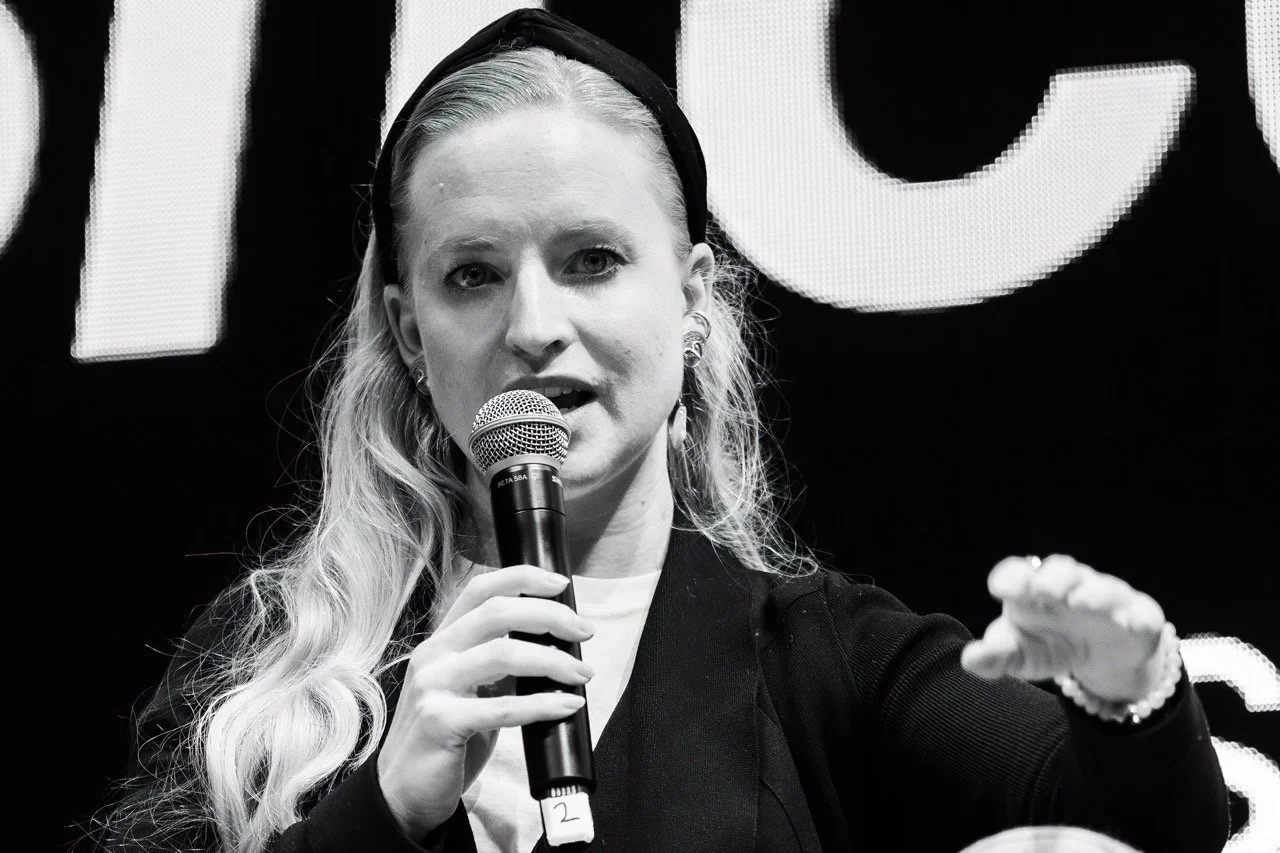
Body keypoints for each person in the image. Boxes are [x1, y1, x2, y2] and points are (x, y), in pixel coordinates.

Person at [92, 9, 1229, 853]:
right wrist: (380, 809)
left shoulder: (823, 659)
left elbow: (1128, 823)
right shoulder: (277, 671)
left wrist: (1132, 699)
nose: (533, 326)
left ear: (689, 298)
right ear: (407, 328)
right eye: (472, 274)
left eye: (591, 260)